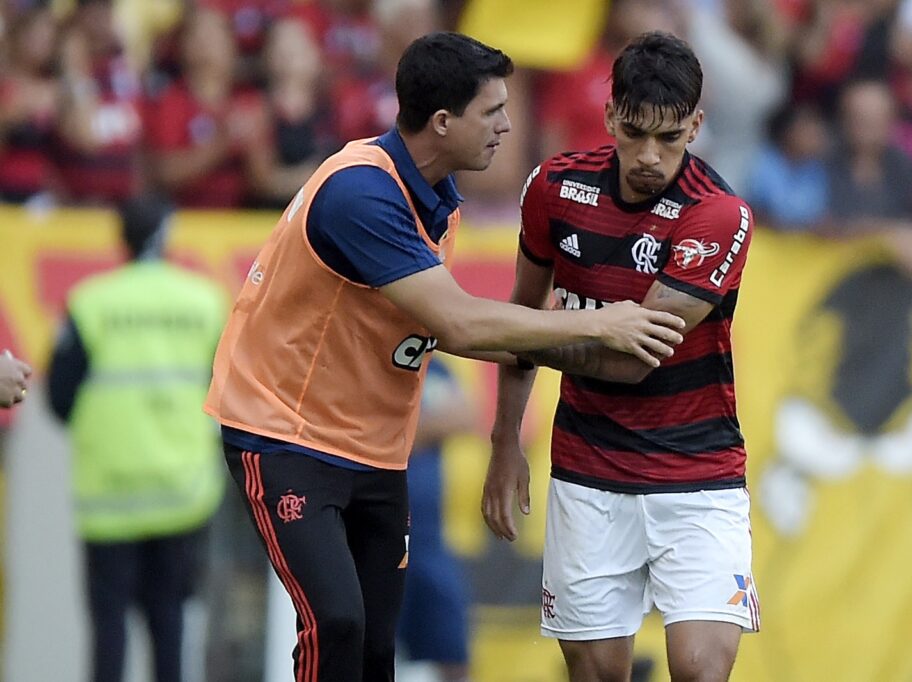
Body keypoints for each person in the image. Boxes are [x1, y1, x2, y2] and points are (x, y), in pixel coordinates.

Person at [203, 30, 685, 682]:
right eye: (492, 112)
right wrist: (600, 326)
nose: (508, 126)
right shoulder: (360, 194)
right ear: (442, 122)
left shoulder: (438, 201)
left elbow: (467, 333)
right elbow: (459, 325)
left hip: (374, 446)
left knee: (377, 645)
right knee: (337, 622)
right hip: (287, 437)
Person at [482, 32, 759, 682]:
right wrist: (503, 442)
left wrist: (517, 332)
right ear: (609, 116)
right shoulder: (553, 188)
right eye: (635, 132)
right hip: (588, 469)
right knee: (598, 674)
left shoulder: (717, 215)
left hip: (698, 473)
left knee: (698, 669)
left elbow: (634, 359)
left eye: (669, 137)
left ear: (696, 125)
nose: (648, 155)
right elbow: (523, 312)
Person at [46, 194, 227, 682]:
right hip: (182, 492)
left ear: (120, 237)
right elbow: (229, 390)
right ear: (168, 236)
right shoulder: (205, 301)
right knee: (169, 622)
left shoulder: (91, 302)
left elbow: (59, 399)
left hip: (110, 494)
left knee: (109, 629)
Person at [397, 357, 474, 682]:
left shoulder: (428, 362)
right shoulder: (364, 352)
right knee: (367, 646)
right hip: (371, 536)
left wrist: (399, 432)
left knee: (452, 650)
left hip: (428, 540)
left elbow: (463, 415)